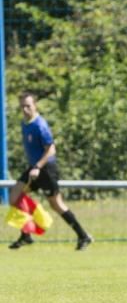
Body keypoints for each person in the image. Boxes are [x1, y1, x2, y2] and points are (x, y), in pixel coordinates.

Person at [8, 92, 93, 250]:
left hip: (46, 169)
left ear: (35, 106)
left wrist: (38, 167)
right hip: (34, 168)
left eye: (28, 106)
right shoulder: (24, 123)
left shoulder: (40, 125)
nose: (25, 109)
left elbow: (51, 150)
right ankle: (26, 235)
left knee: (57, 205)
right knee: (15, 196)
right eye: (22, 106)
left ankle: (83, 236)